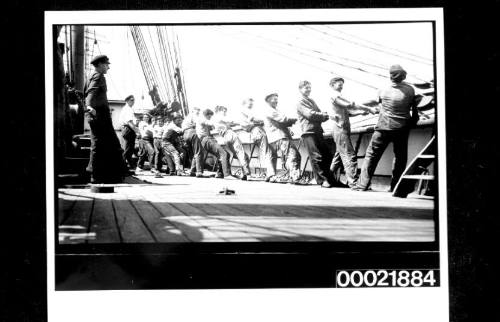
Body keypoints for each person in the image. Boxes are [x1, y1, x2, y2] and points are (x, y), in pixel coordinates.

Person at [353, 64, 422, 192]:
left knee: (371, 156)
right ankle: (395, 186)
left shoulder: (383, 89)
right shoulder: (410, 90)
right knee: (400, 158)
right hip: (401, 128)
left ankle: (362, 185)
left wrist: (357, 105)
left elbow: (377, 103)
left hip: (383, 127)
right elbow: (415, 107)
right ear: (403, 76)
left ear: (390, 76)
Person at [84, 55, 130, 183]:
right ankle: (98, 174)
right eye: (106, 64)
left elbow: (88, 93)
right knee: (104, 144)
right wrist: (89, 106)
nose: (108, 67)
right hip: (99, 115)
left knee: (106, 143)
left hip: (97, 114)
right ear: (99, 65)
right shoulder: (98, 76)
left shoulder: (91, 76)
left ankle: (107, 174)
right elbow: (91, 93)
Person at [328, 77, 376, 188]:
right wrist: (369, 109)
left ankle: (327, 179)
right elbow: (351, 105)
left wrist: (361, 112)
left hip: (341, 130)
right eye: (339, 84)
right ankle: (353, 182)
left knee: (339, 156)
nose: (341, 86)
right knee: (350, 155)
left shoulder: (338, 97)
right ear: (332, 85)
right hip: (340, 130)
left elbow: (348, 112)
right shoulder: (335, 96)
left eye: (342, 84)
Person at [296, 80, 334, 188]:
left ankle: (331, 179)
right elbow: (310, 115)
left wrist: (322, 115)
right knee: (316, 156)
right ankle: (322, 180)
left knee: (326, 155)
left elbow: (318, 113)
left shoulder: (311, 100)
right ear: (300, 89)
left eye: (309, 87)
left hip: (317, 130)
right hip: (308, 132)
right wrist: (323, 116)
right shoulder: (300, 102)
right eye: (306, 88)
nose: (308, 89)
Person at [262, 93, 301, 183]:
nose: (276, 100)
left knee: (272, 156)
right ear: (268, 100)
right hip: (280, 136)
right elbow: (283, 119)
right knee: (293, 155)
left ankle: (271, 176)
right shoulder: (270, 110)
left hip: (272, 138)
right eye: (274, 99)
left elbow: (279, 122)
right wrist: (295, 119)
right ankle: (295, 177)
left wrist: (287, 128)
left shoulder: (270, 110)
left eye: (276, 99)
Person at [240, 98, 275, 181]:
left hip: (254, 133)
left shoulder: (242, 114)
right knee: (267, 152)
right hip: (258, 131)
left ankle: (246, 173)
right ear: (245, 103)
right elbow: (256, 120)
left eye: (252, 103)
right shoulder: (246, 111)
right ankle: (271, 174)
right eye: (250, 103)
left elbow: (246, 125)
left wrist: (256, 121)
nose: (251, 105)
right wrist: (257, 121)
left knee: (264, 152)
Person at [213, 105, 251, 180]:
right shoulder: (219, 117)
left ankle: (243, 174)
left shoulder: (214, 120)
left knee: (236, 155)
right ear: (219, 111)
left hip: (226, 138)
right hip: (231, 135)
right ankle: (247, 173)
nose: (225, 113)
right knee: (241, 154)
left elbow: (228, 123)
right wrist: (243, 122)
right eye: (224, 111)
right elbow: (231, 121)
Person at [196, 108, 233, 179]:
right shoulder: (202, 119)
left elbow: (213, 127)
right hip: (207, 139)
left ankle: (220, 173)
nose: (210, 118)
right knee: (224, 153)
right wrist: (224, 124)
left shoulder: (203, 121)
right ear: (206, 115)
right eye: (209, 116)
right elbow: (212, 123)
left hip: (206, 140)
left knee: (222, 154)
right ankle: (227, 174)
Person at [181, 106, 205, 177]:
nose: (198, 113)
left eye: (198, 111)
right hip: (192, 132)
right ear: (193, 111)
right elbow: (198, 123)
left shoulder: (186, 118)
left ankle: (192, 170)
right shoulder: (193, 116)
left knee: (193, 153)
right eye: (197, 111)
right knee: (199, 152)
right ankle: (199, 171)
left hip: (185, 134)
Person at [119, 95, 139, 171]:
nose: (133, 101)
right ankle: (122, 167)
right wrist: (137, 131)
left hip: (128, 129)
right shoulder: (127, 109)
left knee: (129, 149)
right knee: (127, 150)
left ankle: (130, 167)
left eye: (134, 100)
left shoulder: (129, 109)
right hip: (128, 129)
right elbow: (130, 122)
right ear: (127, 101)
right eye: (131, 100)